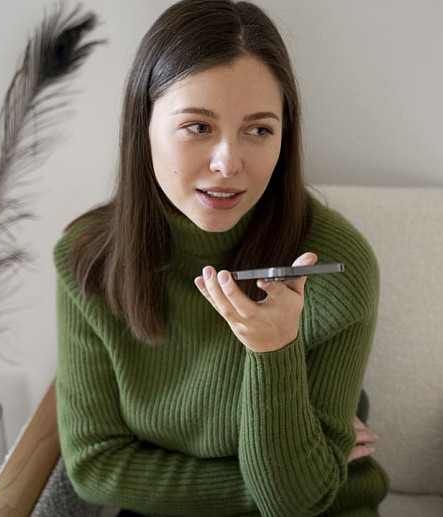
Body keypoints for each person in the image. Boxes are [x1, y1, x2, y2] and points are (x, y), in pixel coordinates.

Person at [54, 0, 388, 514]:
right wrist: (297, 468)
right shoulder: (90, 260)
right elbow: (96, 466)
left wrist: (273, 349)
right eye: (197, 126)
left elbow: (297, 502)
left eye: (259, 130)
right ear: (143, 126)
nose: (229, 162)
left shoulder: (333, 266)